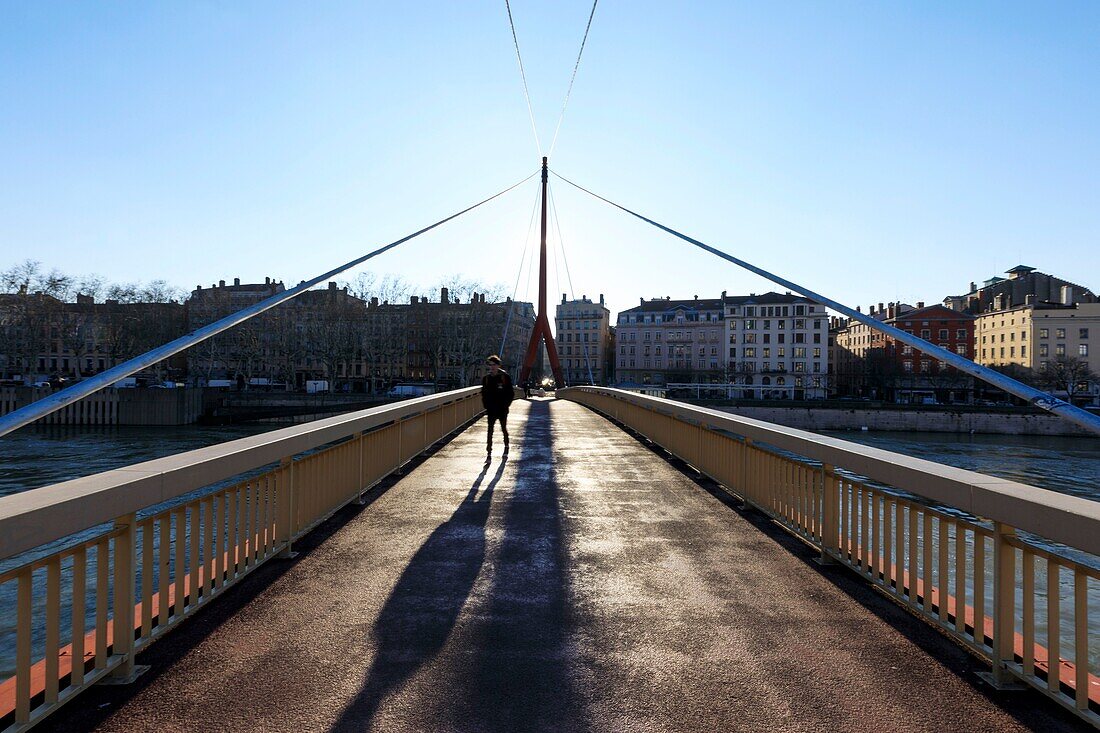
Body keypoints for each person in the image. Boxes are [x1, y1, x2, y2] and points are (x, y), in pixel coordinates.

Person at [481, 354, 513, 459]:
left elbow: (511, 393)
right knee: (490, 430)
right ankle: (489, 452)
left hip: (502, 409)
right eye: (490, 365)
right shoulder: (486, 379)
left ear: (498, 365)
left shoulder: (505, 377)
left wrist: (506, 405)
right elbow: (483, 394)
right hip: (491, 410)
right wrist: (486, 406)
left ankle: (506, 445)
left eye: (494, 365)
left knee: (503, 428)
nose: (492, 367)